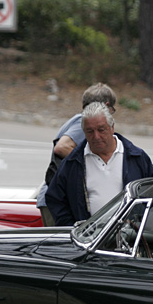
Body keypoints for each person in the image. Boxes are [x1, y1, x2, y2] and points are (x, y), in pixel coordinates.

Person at [45, 102, 153, 226]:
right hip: (89, 241)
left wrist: (144, 230)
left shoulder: (137, 158)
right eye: (90, 131)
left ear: (112, 127)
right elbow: (55, 198)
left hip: (130, 240)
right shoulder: (72, 163)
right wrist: (73, 229)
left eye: (101, 129)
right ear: (83, 132)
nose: (96, 136)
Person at [37, 83, 118, 226]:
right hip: (56, 199)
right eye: (112, 109)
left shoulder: (77, 119)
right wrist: (93, 163)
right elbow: (61, 147)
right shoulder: (86, 123)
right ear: (106, 105)